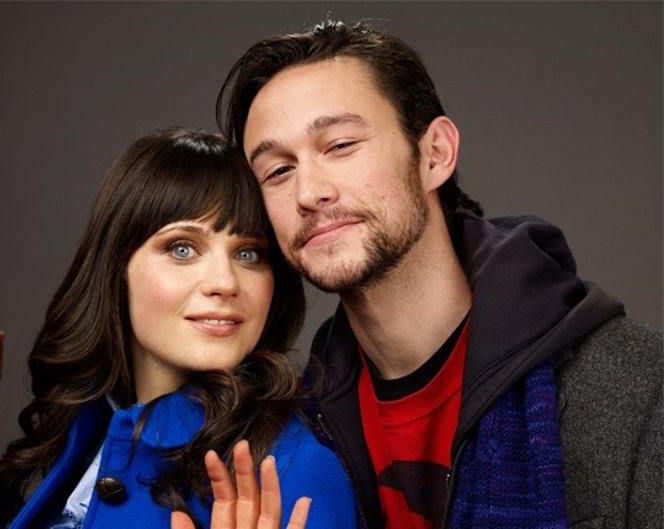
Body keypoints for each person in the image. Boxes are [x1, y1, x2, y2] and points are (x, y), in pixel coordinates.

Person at [212, 20, 663, 529]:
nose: (309, 192)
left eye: (340, 145)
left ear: (435, 154)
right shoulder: (289, 437)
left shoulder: (637, 387)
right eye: (278, 171)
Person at [0, 128, 357, 529]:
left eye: (248, 254)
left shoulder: (294, 469)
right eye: (182, 249)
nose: (225, 283)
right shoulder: (91, 428)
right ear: (116, 268)